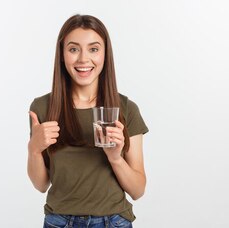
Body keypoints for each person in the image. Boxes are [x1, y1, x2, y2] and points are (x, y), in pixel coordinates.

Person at [27, 14, 149, 228]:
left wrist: (115, 158)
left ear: (105, 54)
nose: (83, 59)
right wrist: (34, 149)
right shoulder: (42, 108)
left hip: (113, 221)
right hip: (59, 221)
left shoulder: (126, 109)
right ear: (62, 54)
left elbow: (138, 190)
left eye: (93, 49)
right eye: (74, 49)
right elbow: (41, 184)